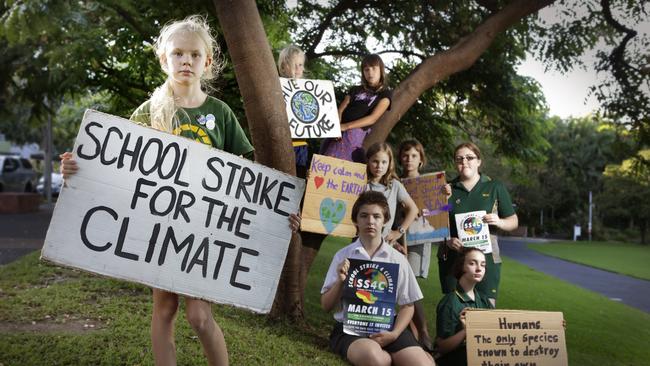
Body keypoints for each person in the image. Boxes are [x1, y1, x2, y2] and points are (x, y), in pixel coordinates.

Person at [60, 15, 301, 366]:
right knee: (165, 309)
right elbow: (118, 167)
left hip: (204, 232)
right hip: (160, 228)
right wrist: (76, 170)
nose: (185, 61)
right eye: (177, 54)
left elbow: (250, 181)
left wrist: (279, 214)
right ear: (164, 59)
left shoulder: (220, 114)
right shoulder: (149, 112)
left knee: (199, 317)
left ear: (207, 62)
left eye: (193, 54)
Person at [321, 191, 435, 366]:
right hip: (350, 329)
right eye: (364, 216)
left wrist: (395, 334)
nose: (370, 221)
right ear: (356, 220)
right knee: (376, 359)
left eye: (377, 216)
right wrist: (340, 281)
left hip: (389, 327)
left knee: (421, 364)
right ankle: (389, 357)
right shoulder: (343, 256)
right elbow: (326, 306)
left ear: (385, 221)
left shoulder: (397, 259)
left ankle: (418, 356)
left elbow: (408, 305)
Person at [437, 142, 518, 307]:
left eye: (469, 158)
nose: (464, 162)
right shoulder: (446, 190)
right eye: (459, 159)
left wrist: (499, 221)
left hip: (486, 259)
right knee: (455, 312)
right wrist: (447, 240)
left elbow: (513, 221)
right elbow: (433, 226)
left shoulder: (494, 187)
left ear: (479, 161)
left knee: (486, 313)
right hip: (455, 261)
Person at [396, 139, 434, 351]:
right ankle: (414, 335)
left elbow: (440, 211)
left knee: (410, 286)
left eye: (413, 156)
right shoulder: (395, 181)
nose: (409, 160)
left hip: (419, 240)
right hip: (398, 240)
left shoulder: (430, 185)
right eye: (405, 155)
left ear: (421, 159)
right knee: (403, 287)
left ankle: (424, 333)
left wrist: (443, 196)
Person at [319, 54, 392, 163]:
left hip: (354, 133)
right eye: (366, 69)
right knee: (323, 161)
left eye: (374, 68)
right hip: (337, 130)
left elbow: (373, 118)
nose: (370, 72)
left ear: (381, 70)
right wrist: (336, 128)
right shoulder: (355, 89)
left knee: (341, 165)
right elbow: (341, 109)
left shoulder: (385, 93)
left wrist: (346, 126)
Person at [434, 248, 493, 366]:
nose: (479, 268)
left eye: (483, 265)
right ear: (461, 266)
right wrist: (466, 331)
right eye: (472, 263)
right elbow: (441, 348)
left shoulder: (483, 300)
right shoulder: (450, 302)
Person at [277, 44, 309, 179]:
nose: (297, 68)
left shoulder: (309, 90)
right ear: (284, 66)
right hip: (281, 143)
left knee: (297, 179)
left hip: (300, 144)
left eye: (300, 65)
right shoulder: (277, 87)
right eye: (293, 64)